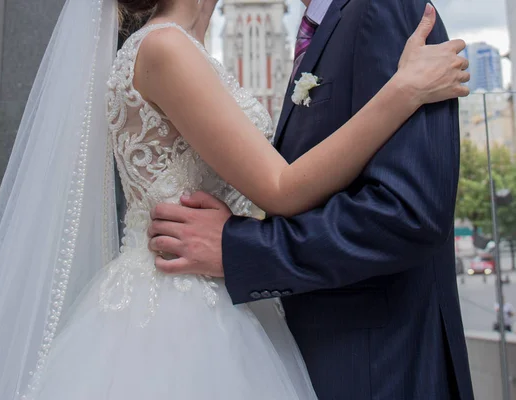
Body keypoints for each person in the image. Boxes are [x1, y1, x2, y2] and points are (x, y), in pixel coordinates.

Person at [0, 0, 469, 398]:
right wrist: (402, 91)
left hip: (222, 294)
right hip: (175, 312)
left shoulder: (186, 51)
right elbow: (282, 188)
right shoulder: (164, 49)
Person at [148, 0, 476, 399]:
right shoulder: (175, 47)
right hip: (283, 350)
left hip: (377, 369)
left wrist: (238, 248)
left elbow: (407, 213)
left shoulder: (383, 7)